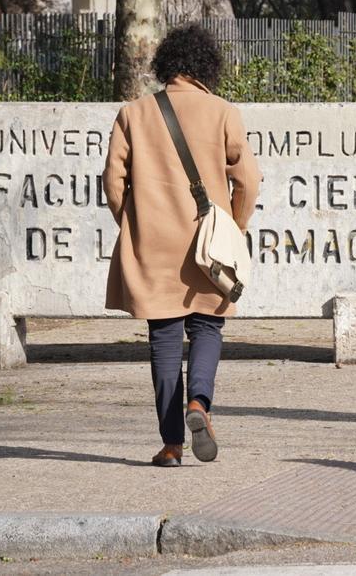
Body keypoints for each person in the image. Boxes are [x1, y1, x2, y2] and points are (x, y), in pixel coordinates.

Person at [103, 23, 262, 467]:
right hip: (207, 243)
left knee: (165, 338)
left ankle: (172, 444)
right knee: (208, 327)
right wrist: (235, 222)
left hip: (152, 242)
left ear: (166, 66)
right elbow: (248, 179)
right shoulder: (223, 112)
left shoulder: (133, 113)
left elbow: (113, 181)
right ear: (207, 67)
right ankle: (200, 404)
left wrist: (132, 221)